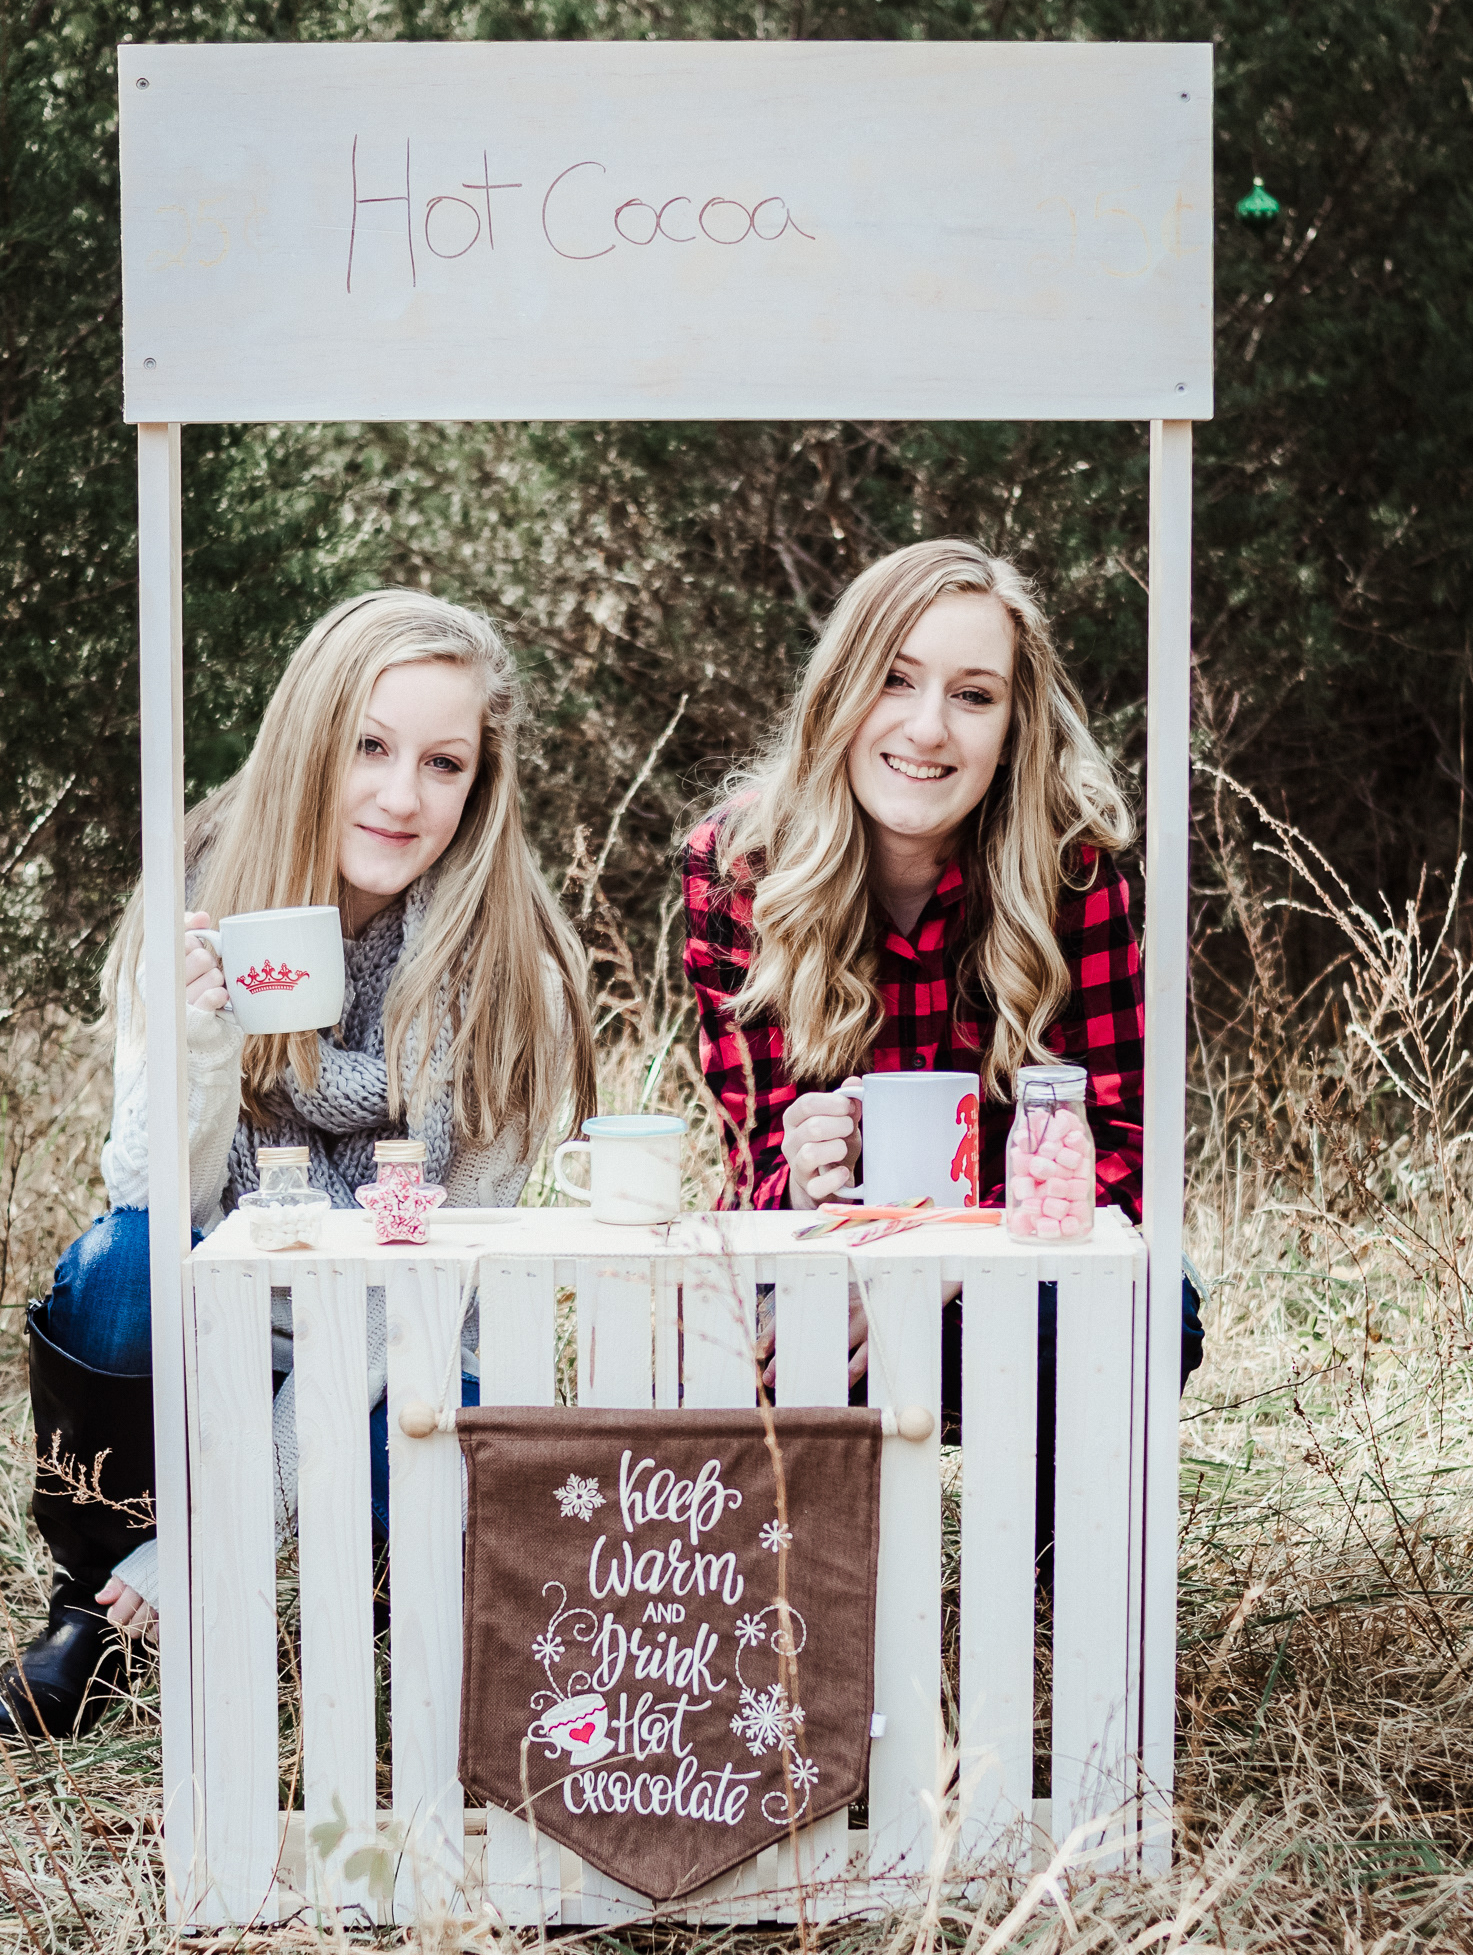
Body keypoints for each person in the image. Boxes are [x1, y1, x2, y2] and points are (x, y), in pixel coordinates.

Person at [3, 591, 596, 1737]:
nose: (400, 795)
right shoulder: (198, 891)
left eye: (442, 762)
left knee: (431, 1449)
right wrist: (199, 1046)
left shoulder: (514, 978)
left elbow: (424, 1292)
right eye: (369, 745)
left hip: (395, 1338)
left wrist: (216, 1529)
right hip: (215, 1304)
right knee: (118, 1268)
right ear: (311, 739)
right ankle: (98, 1606)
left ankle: (365, 1603)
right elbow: (152, 1199)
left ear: (480, 783)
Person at [682, 539, 1203, 1548]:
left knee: (1138, 1310)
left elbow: (1125, 1159)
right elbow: (751, 1154)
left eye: (972, 695)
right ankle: (808, 1580)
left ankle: (1055, 1560)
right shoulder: (741, 865)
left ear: (1011, 728)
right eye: (894, 679)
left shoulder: (1072, 870)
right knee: (705, 1322)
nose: (927, 727)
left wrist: (946, 1261)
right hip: (824, 1266)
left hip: (1011, 1277)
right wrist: (804, 1180)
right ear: (838, 692)